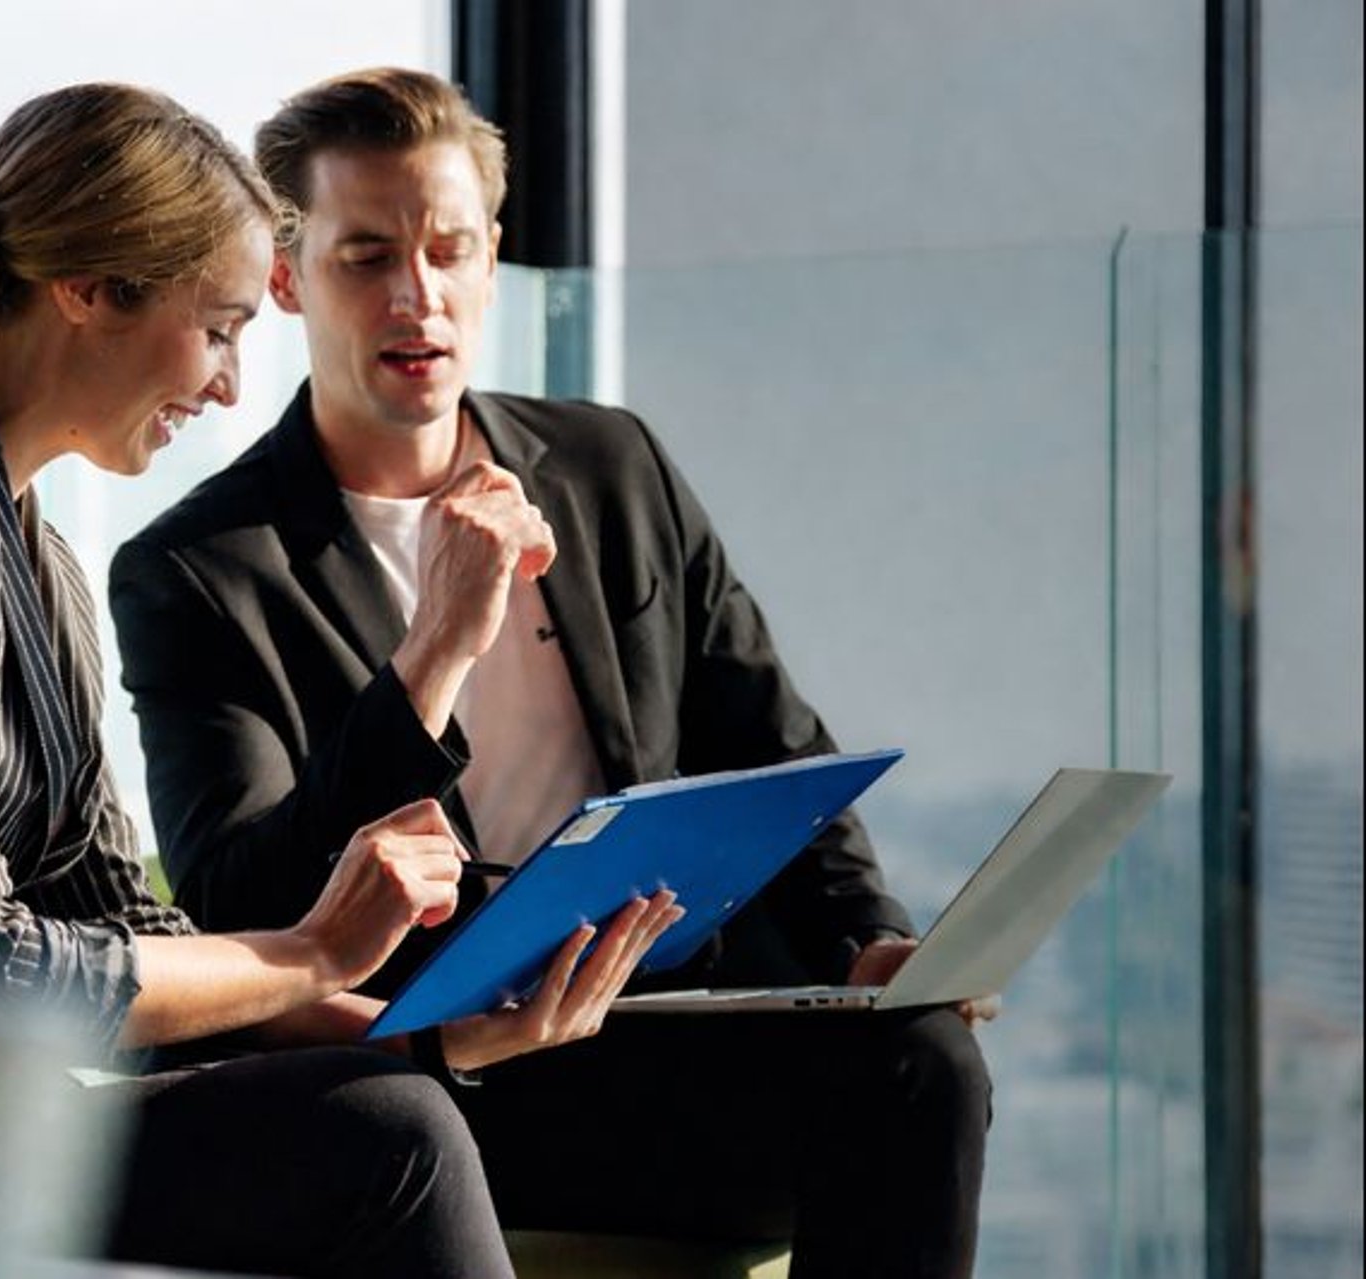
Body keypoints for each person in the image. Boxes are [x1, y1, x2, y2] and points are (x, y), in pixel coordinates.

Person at [0, 82, 686, 1279]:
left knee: (400, 1114)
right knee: (389, 1140)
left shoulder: (36, 555)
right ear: (92, 290)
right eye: (219, 327)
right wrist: (318, 951)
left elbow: (120, 918)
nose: (228, 384)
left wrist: (431, 1035)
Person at [109, 67, 994, 1278]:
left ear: (491, 257)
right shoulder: (203, 568)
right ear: (284, 273)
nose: (415, 296)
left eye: (449, 250)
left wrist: (870, 948)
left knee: (924, 1058)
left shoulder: (611, 464)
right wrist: (437, 647)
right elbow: (237, 900)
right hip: (449, 1072)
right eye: (366, 257)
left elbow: (771, 744)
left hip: (665, 1019)